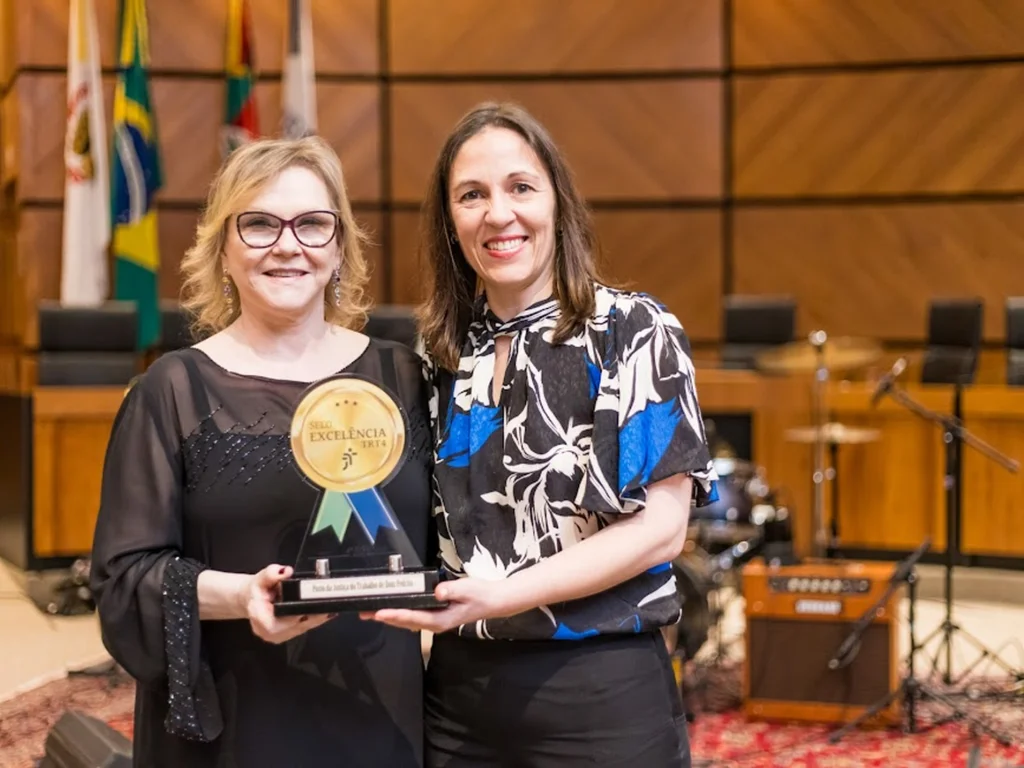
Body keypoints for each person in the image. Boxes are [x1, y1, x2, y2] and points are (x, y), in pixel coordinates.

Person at [364, 102, 717, 767]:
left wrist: (500, 596)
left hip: (599, 693)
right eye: (472, 195)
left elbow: (661, 530)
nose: (499, 213)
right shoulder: (439, 355)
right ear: (450, 223)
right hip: (458, 697)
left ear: (558, 202)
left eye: (520, 187)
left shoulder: (632, 331)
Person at [90, 136, 432, 768]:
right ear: (222, 247)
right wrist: (243, 594)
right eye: (259, 224)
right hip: (241, 723)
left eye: (312, 224)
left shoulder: (404, 378)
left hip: (384, 717)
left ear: (339, 249)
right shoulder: (172, 391)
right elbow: (122, 580)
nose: (287, 244)